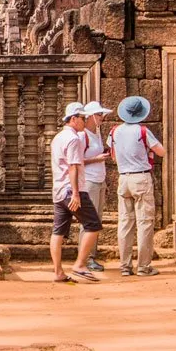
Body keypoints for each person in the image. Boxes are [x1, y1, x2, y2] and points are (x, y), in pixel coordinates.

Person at [107, 96, 166, 276]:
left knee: (124, 223)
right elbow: (161, 152)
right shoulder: (142, 131)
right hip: (141, 178)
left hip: (123, 178)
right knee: (144, 223)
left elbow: (114, 157)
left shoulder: (114, 131)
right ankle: (143, 266)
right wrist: (146, 152)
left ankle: (125, 266)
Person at [51, 101, 103, 283]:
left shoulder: (58, 137)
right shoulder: (73, 139)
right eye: (83, 118)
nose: (85, 121)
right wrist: (75, 193)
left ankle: (58, 272)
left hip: (58, 190)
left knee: (58, 232)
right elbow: (73, 167)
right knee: (93, 225)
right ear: (73, 119)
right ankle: (80, 264)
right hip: (71, 189)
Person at [80, 101, 113, 273]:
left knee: (97, 220)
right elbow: (77, 161)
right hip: (89, 181)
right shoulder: (82, 136)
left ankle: (91, 256)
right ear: (91, 116)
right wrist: (97, 159)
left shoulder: (97, 134)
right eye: (99, 115)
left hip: (99, 180)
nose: (102, 118)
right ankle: (85, 259)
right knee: (89, 221)